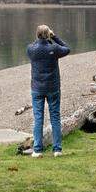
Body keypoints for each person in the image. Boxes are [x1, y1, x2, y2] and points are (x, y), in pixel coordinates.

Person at [26, 24, 71, 157]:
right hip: (53, 87)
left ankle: (37, 150)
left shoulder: (31, 49)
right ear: (48, 35)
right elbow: (67, 49)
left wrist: (41, 37)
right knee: (55, 118)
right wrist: (54, 36)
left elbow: (34, 44)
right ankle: (57, 149)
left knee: (38, 118)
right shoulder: (54, 48)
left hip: (37, 88)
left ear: (37, 35)